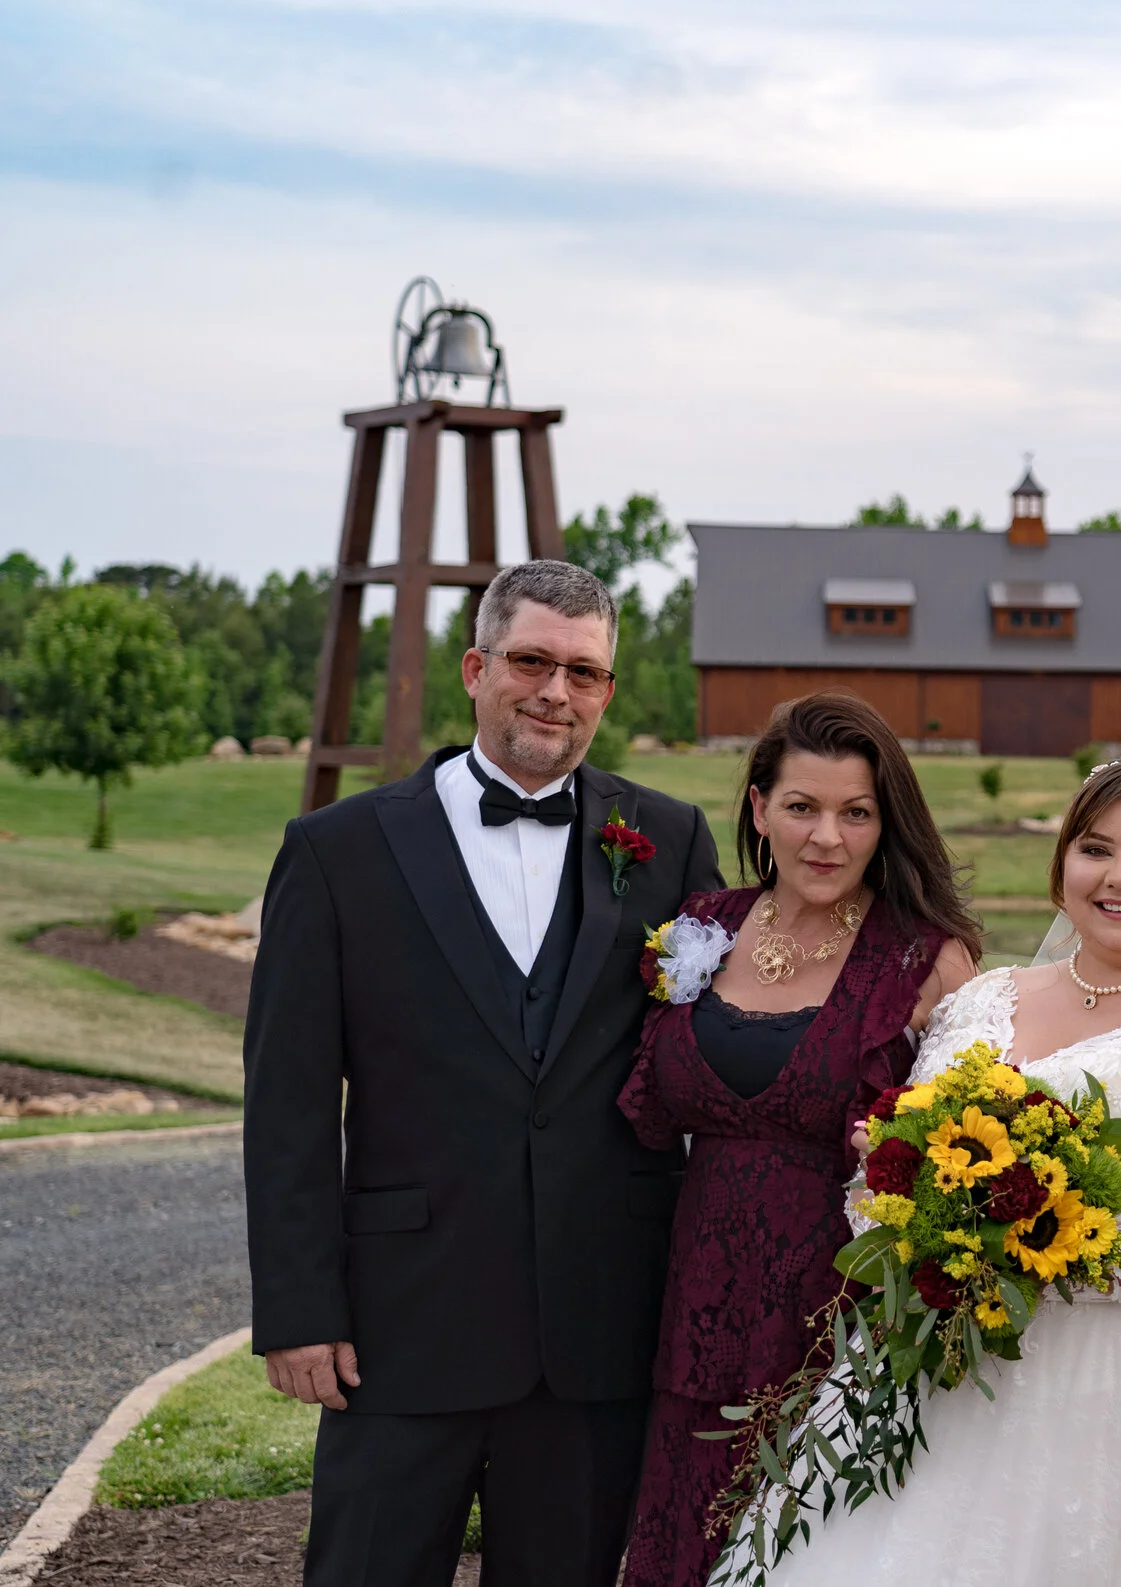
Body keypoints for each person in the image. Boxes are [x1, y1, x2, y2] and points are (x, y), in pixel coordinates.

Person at [243, 559, 723, 1587]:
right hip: (400, 1321)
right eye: (533, 661)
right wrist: (296, 1305)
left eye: (584, 671)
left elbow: (713, 1050)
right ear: (476, 666)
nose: (557, 691)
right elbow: (285, 1097)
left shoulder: (669, 838)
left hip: (598, 1319)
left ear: (606, 686)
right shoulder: (338, 850)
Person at [757, 755, 1121, 1586]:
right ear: (1063, 866)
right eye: (1096, 847)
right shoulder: (986, 1000)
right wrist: (908, 1207)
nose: (1120, 876)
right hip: (939, 1370)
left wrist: (1059, 1247)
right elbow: (885, 1176)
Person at [615, 693, 979, 1587]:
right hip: (696, 1299)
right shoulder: (700, 927)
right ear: (758, 809)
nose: (828, 837)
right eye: (802, 807)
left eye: (856, 812)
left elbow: (960, 1163)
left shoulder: (926, 961)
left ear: (886, 823)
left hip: (841, 1319)